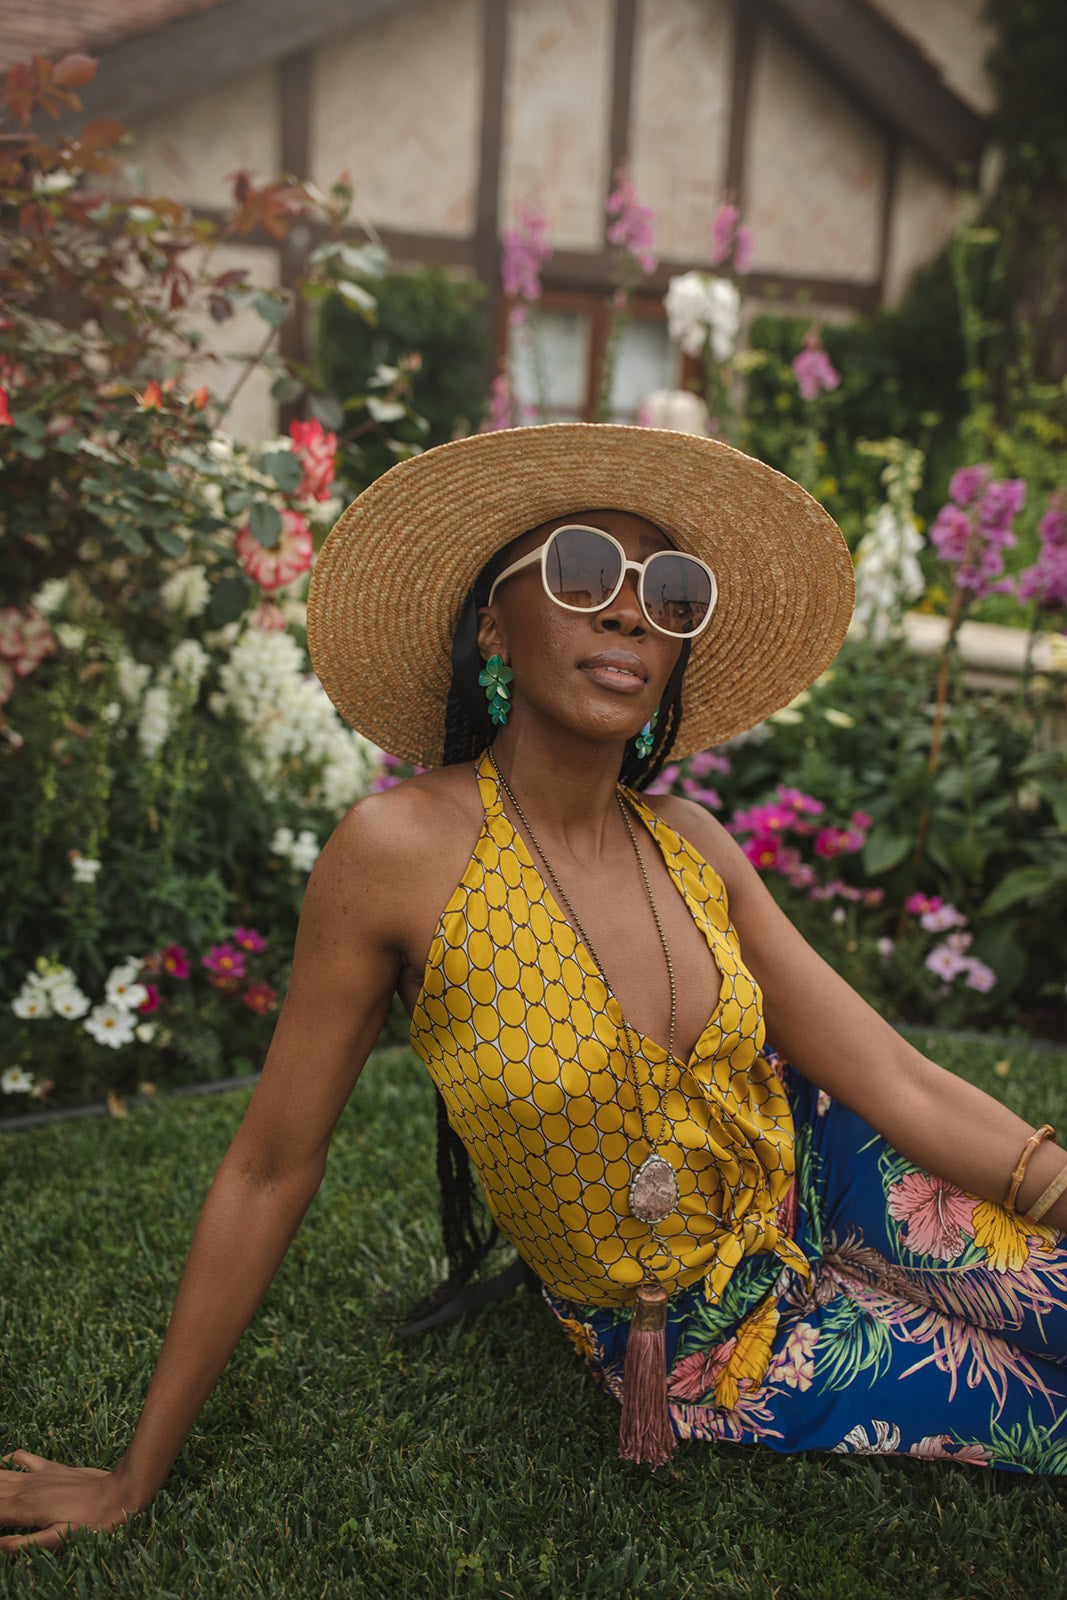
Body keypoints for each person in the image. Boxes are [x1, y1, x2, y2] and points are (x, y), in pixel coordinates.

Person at [4, 423, 1067, 1554]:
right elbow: (270, 1166)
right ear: (492, 625)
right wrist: (131, 1474)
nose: (627, 613)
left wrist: (1051, 1185)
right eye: (578, 573)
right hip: (692, 1332)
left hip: (833, 1175)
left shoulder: (692, 842)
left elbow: (888, 1072)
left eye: (666, 592)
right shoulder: (397, 852)